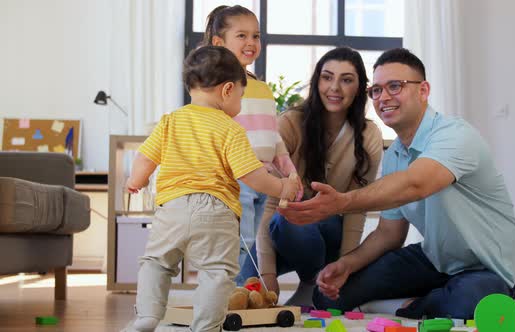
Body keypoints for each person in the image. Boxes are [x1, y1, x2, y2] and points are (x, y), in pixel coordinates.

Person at [278, 48, 515, 319]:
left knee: (472, 301)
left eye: (395, 86)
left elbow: (415, 184)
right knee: (329, 294)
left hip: (484, 268)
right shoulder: (394, 154)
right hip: (434, 260)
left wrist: (342, 202)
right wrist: (346, 264)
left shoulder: (455, 135)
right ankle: (427, 301)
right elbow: (389, 234)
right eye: (377, 90)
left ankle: (410, 305)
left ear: (423, 90)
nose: (384, 97)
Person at [126, 46, 298, 332]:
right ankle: (205, 327)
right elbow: (251, 175)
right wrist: (282, 187)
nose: (240, 104)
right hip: (216, 210)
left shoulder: (171, 120)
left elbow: (145, 158)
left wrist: (136, 180)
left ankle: (147, 315)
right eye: (242, 96)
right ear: (228, 90)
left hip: (172, 207)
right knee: (216, 273)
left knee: (157, 262)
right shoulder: (230, 129)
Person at [238, 47, 384, 306]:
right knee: (245, 284)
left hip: (330, 235)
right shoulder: (290, 123)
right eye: (327, 77)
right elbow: (271, 204)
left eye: (347, 80)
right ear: (317, 81)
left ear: (360, 87)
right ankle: (309, 283)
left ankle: (310, 284)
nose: (335, 87)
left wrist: (344, 267)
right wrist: (269, 275)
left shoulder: (368, 135)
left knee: (299, 218)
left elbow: (356, 209)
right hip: (282, 229)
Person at [200, 5, 302, 278]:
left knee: (252, 244)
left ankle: (237, 295)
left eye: (255, 36)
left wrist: (290, 172)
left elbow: (273, 138)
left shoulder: (262, 89)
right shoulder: (213, 88)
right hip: (235, 178)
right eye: (242, 35)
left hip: (264, 180)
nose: (251, 43)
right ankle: (222, 299)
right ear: (219, 43)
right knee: (236, 243)